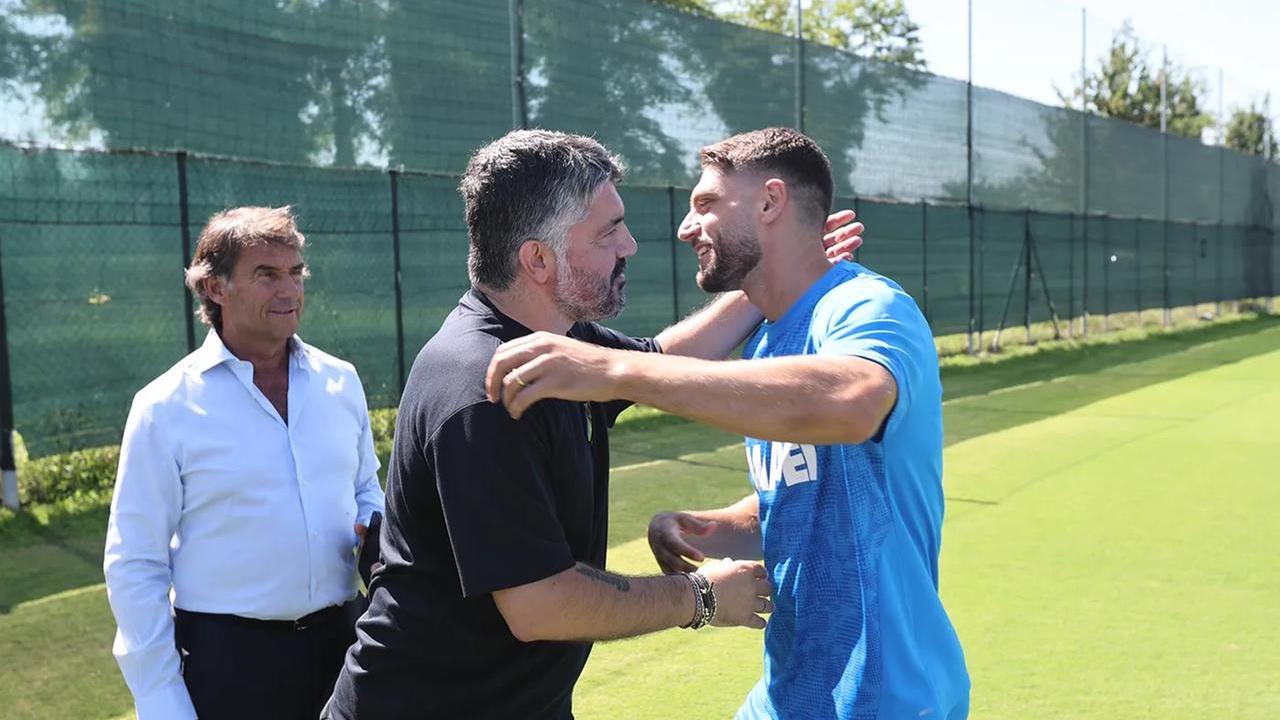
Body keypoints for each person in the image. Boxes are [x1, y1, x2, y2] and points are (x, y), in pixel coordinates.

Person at [324, 129, 864, 719]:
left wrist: (777, 268)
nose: (630, 245)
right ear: (538, 260)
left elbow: (657, 363)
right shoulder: (482, 391)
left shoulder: (558, 341)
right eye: (608, 232)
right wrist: (702, 595)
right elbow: (540, 604)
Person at [486, 128, 970, 719]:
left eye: (706, 204)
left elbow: (853, 400)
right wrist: (712, 529)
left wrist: (616, 371)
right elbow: (807, 493)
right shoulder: (766, 342)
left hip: (885, 697)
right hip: (791, 694)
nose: (686, 227)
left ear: (770, 202)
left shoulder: (867, 306)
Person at [103, 206, 386, 720]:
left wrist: (371, 521)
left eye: (296, 272)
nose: (290, 290)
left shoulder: (341, 381)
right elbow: (135, 562)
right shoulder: (164, 407)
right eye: (267, 274)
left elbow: (366, 488)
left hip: (344, 649)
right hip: (229, 664)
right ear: (215, 287)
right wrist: (161, 698)